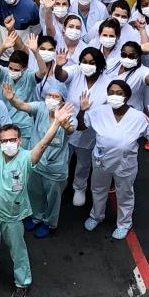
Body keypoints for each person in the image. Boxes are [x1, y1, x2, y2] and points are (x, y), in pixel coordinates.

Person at [0, 89, 74, 297]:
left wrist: (56, 123)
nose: (8, 144)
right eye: (4, 140)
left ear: (20, 141)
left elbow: (44, 143)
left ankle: (22, 282)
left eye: (12, 140)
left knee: (17, 250)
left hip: (12, 216)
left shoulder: (28, 158)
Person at [78, 80, 149, 239]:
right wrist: (82, 111)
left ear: (127, 96)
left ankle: (124, 223)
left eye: (119, 93)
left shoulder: (139, 117)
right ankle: (96, 215)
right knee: (97, 189)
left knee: (125, 194)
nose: (114, 96)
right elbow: (81, 126)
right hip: (101, 162)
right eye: (111, 93)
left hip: (125, 166)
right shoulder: (99, 111)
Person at [2, 81, 76, 237]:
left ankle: (50, 223)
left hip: (55, 168)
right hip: (36, 162)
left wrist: (63, 124)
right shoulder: (41, 108)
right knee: (34, 192)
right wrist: (11, 98)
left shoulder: (67, 115)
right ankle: (37, 217)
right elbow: (22, 106)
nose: (51, 99)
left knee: (53, 197)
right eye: (49, 95)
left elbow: (70, 129)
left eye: (56, 96)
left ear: (62, 100)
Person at [54, 46, 110, 206]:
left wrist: (85, 112)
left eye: (92, 62)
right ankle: (61, 182)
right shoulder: (77, 71)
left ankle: (79, 187)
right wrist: (59, 65)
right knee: (63, 158)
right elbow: (62, 76)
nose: (87, 65)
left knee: (83, 163)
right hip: (67, 125)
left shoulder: (107, 84)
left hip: (89, 131)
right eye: (84, 61)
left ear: (99, 64)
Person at [0, 32, 48, 147]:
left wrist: (35, 52)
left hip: (24, 127)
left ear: (25, 68)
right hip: (3, 124)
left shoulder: (29, 76)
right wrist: (3, 47)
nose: (12, 71)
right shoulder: (4, 74)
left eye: (16, 70)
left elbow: (42, 71)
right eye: (10, 67)